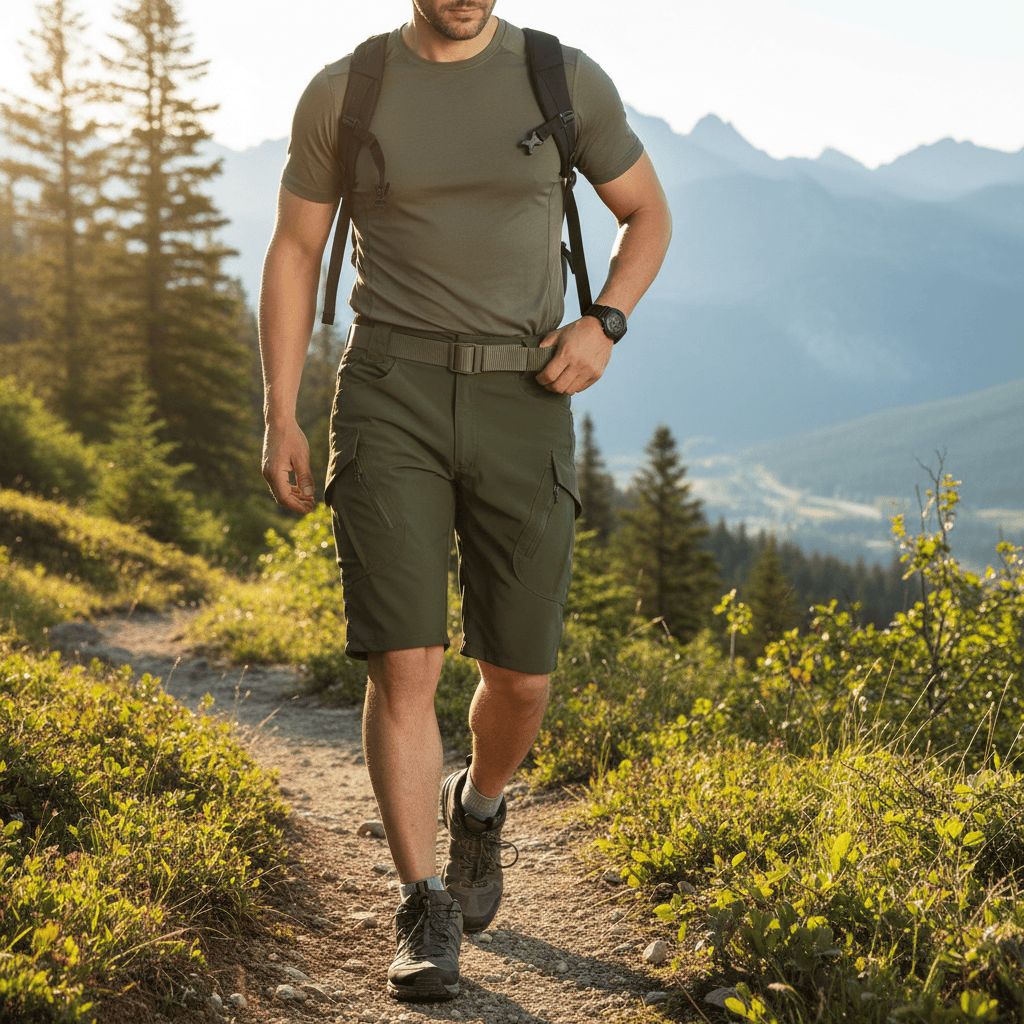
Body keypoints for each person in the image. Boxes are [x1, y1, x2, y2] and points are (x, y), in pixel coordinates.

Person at [259, 0, 672, 1003]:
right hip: (388, 391)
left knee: (521, 677)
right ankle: (422, 901)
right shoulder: (346, 90)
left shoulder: (560, 78)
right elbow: (295, 251)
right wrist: (280, 412)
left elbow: (647, 214)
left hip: (524, 393)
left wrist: (605, 321)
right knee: (404, 657)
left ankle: (478, 804)